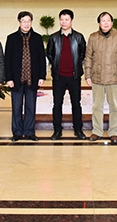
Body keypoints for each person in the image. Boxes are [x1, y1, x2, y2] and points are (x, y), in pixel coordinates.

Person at [83, 11, 117, 145]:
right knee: (96, 106)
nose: (106, 23)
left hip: (114, 78)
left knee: (114, 106)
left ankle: (113, 132)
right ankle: (97, 131)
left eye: (108, 20)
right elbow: (88, 57)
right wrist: (88, 75)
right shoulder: (93, 37)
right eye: (103, 20)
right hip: (97, 78)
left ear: (112, 23)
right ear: (99, 23)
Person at [5, 11, 46, 142]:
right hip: (16, 79)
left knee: (30, 107)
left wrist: (42, 76)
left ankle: (29, 132)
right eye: (24, 21)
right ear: (19, 22)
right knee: (16, 107)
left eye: (28, 21)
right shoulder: (11, 38)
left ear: (31, 22)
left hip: (32, 79)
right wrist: (9, 78)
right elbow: (7, 60)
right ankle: (17, 132)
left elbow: (41, 59)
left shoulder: (37, 38)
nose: (26, 24)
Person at [46, 9, 87, 140]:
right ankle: (57, 130)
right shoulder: (53, 37)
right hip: (59, 77)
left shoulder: (79, 37)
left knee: (76, 104)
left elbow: (82, 54)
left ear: (71, 21)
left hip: (74, 76)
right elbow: (49, 54)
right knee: (57, 104)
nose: (64, 22)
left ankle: (78, 130)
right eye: (62, 20)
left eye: (66, 20)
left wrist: (76, 65)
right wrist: (56, 65)